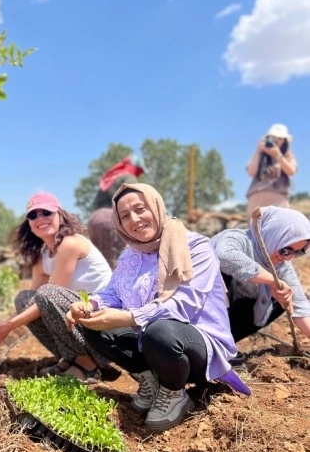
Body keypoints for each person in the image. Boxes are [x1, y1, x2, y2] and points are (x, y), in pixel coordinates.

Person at [66, 183, 249, 433]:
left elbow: (184, 304)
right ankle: (152, 382)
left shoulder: (196, 247)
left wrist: (128, 317)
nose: (135, 219)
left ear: (157, 207)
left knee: (159, 331)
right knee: (93, 327)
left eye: (140, 209)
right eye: (125, 216)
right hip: (152, 343)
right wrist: (89, 306)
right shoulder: (130, 255)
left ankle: (174, 393)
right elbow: (112, 292)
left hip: (193, 346)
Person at [0, 192, 112, 383]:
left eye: (46, 213)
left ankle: (89, 364)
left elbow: (48, 298)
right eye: (33, 215)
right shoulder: (42, 255)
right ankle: (71, 358)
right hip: (79, 315)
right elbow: (35, 303)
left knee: (47, 293)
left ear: (60, 215)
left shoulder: (70, 243)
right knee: (24, 299)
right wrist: (7, 323)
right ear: (29, 223)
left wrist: (8, 326)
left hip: (103, 318)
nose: (40, 218)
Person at [211, 206, 310, 349]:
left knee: (286, 298)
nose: (288, 258)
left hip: (231, 317)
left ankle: (222, 346)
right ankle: (207, 341)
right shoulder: (238, 239)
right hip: (203, 310)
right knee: (224, 274)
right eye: (285, 250)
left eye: (297, 252)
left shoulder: (282, 265)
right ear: (272, 235)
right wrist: (271, 281)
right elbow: (224, 255)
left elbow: (301, 308)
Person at [87, 156, 144, 268]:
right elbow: (133, 198)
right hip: (111, 219)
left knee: (100, 260)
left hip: (94, 219)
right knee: (116, 261)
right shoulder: (128, 177)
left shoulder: (111, 177)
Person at [246, 123, 297, 218]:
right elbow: (251, 172)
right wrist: (258, 151)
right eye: (273, 137)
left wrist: (278, 155)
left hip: (279, 200)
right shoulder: (260, 154)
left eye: (280, 138)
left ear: (285, 141)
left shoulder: (287, 154)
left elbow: (291, 171)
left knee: (278, 229)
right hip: (256, 198)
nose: (276, 140)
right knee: (255, 230)